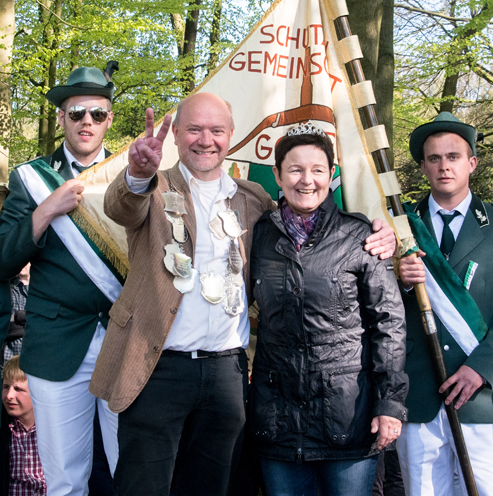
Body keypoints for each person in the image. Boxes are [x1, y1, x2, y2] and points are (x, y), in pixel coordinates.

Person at [89, 93, 398, 496]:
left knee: (214, 488)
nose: (206, 140)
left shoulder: (253, 199)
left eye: (216, 130)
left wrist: (383, 234)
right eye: (194, 129)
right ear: (176, 134)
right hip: (156, 368)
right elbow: (121, 208)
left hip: (227, 376)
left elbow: (305, 228)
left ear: (231, 135)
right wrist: (136, 173)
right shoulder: (153, 185)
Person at [249, 123, 408, 496]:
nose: (307, 180)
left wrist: (390, 403)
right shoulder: (258, 237)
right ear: (278, 175)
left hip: (347, 419)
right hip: (278, 421)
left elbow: (389, 324)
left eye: (318, 170)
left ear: (332, 174)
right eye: (295, 169)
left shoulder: (361, 237)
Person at [0, 66, 119, 495]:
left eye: (97, 114)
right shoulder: (31, 178)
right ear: (62, 117)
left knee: (130, 473)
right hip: (56, 344)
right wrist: (46, 209)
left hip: (123, 341)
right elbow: (3, 259)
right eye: (77, 112)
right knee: (65, 480)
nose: (87, 121)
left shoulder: (129, 175)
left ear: (109, 119)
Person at [397, 112, 493, 496]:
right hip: (418, 392)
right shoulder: (399, 225)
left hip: (482, 398)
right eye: (434, 158)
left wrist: (482, 368)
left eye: (453, 157)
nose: (444, 166)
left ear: (472, 163)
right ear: (422, 167)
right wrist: (398, 280)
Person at [1, 355, 46, 496]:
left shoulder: (52, 431)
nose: (9, 395)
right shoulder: (5, 431)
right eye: (6, 387)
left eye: (18, 389)